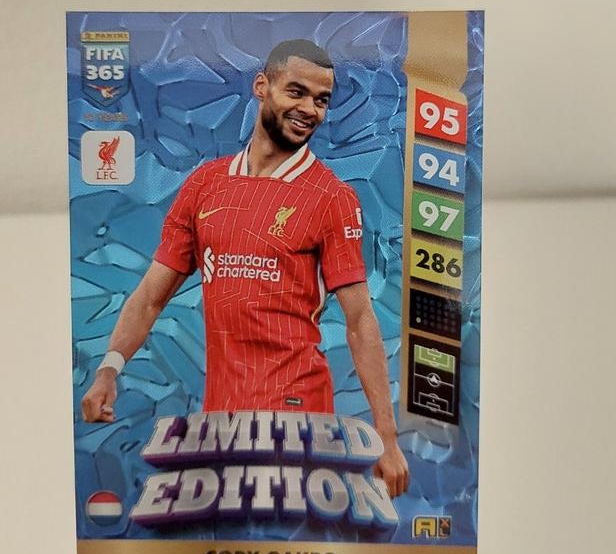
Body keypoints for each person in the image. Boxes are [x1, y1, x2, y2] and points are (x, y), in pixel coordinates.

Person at [81, 39, 409, 497]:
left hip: (297, 417)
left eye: (321, 100)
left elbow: (359, 321)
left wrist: (387, 438)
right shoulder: (205, 185)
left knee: (289, 537)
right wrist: (109, 370)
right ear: (261, 87)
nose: (309, 109)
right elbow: (150, 297)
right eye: (296, 92)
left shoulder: (331, 198)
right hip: (222, 422)